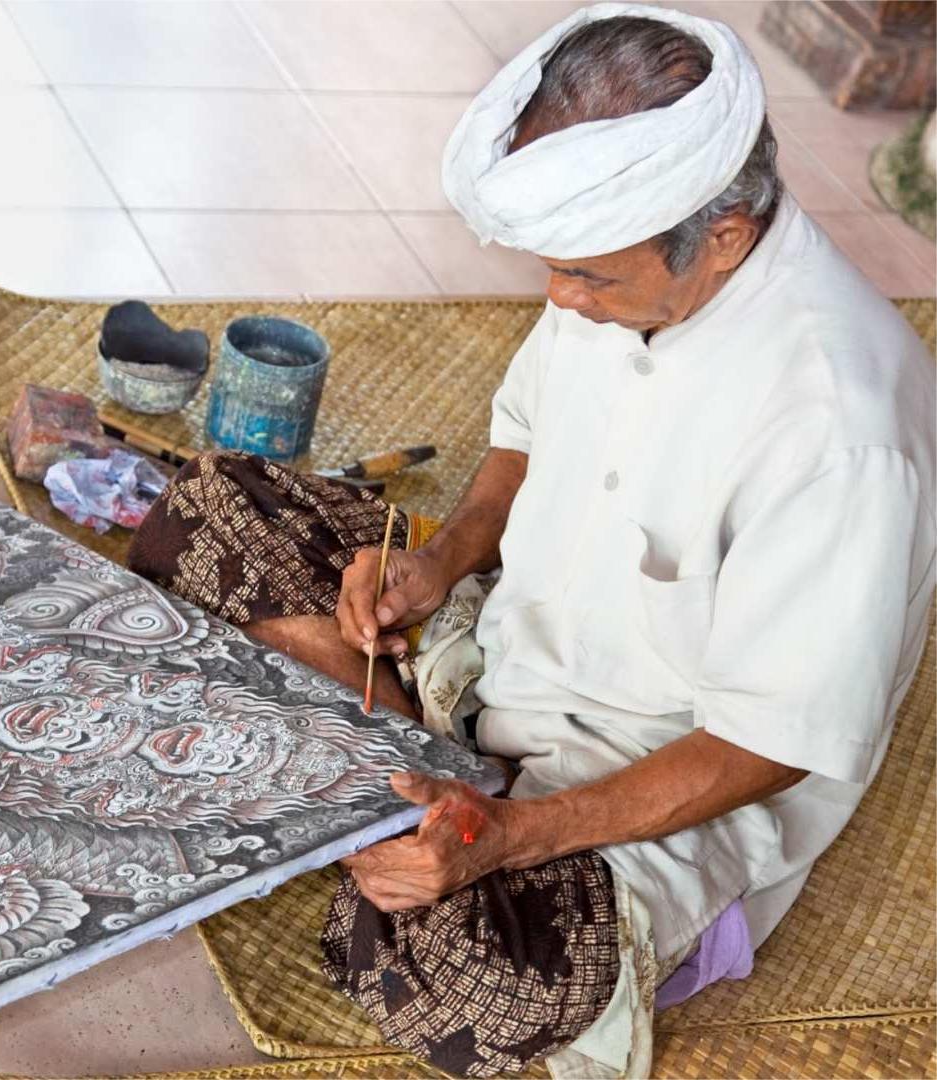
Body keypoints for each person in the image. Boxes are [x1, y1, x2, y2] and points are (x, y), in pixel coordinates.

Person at [126, 4, 937, 1077]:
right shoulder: (627, 267)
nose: (561, 298)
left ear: (726, 236)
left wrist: (517, 836)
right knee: (211, 504)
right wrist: (440, 559)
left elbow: (767, 745)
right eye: (558, 269)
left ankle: (375, 769)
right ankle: (395, 764)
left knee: (473, 979)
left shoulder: (841, 434)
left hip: (640, 778)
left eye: (588, 278)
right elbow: (522, 433)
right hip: (492, 653)